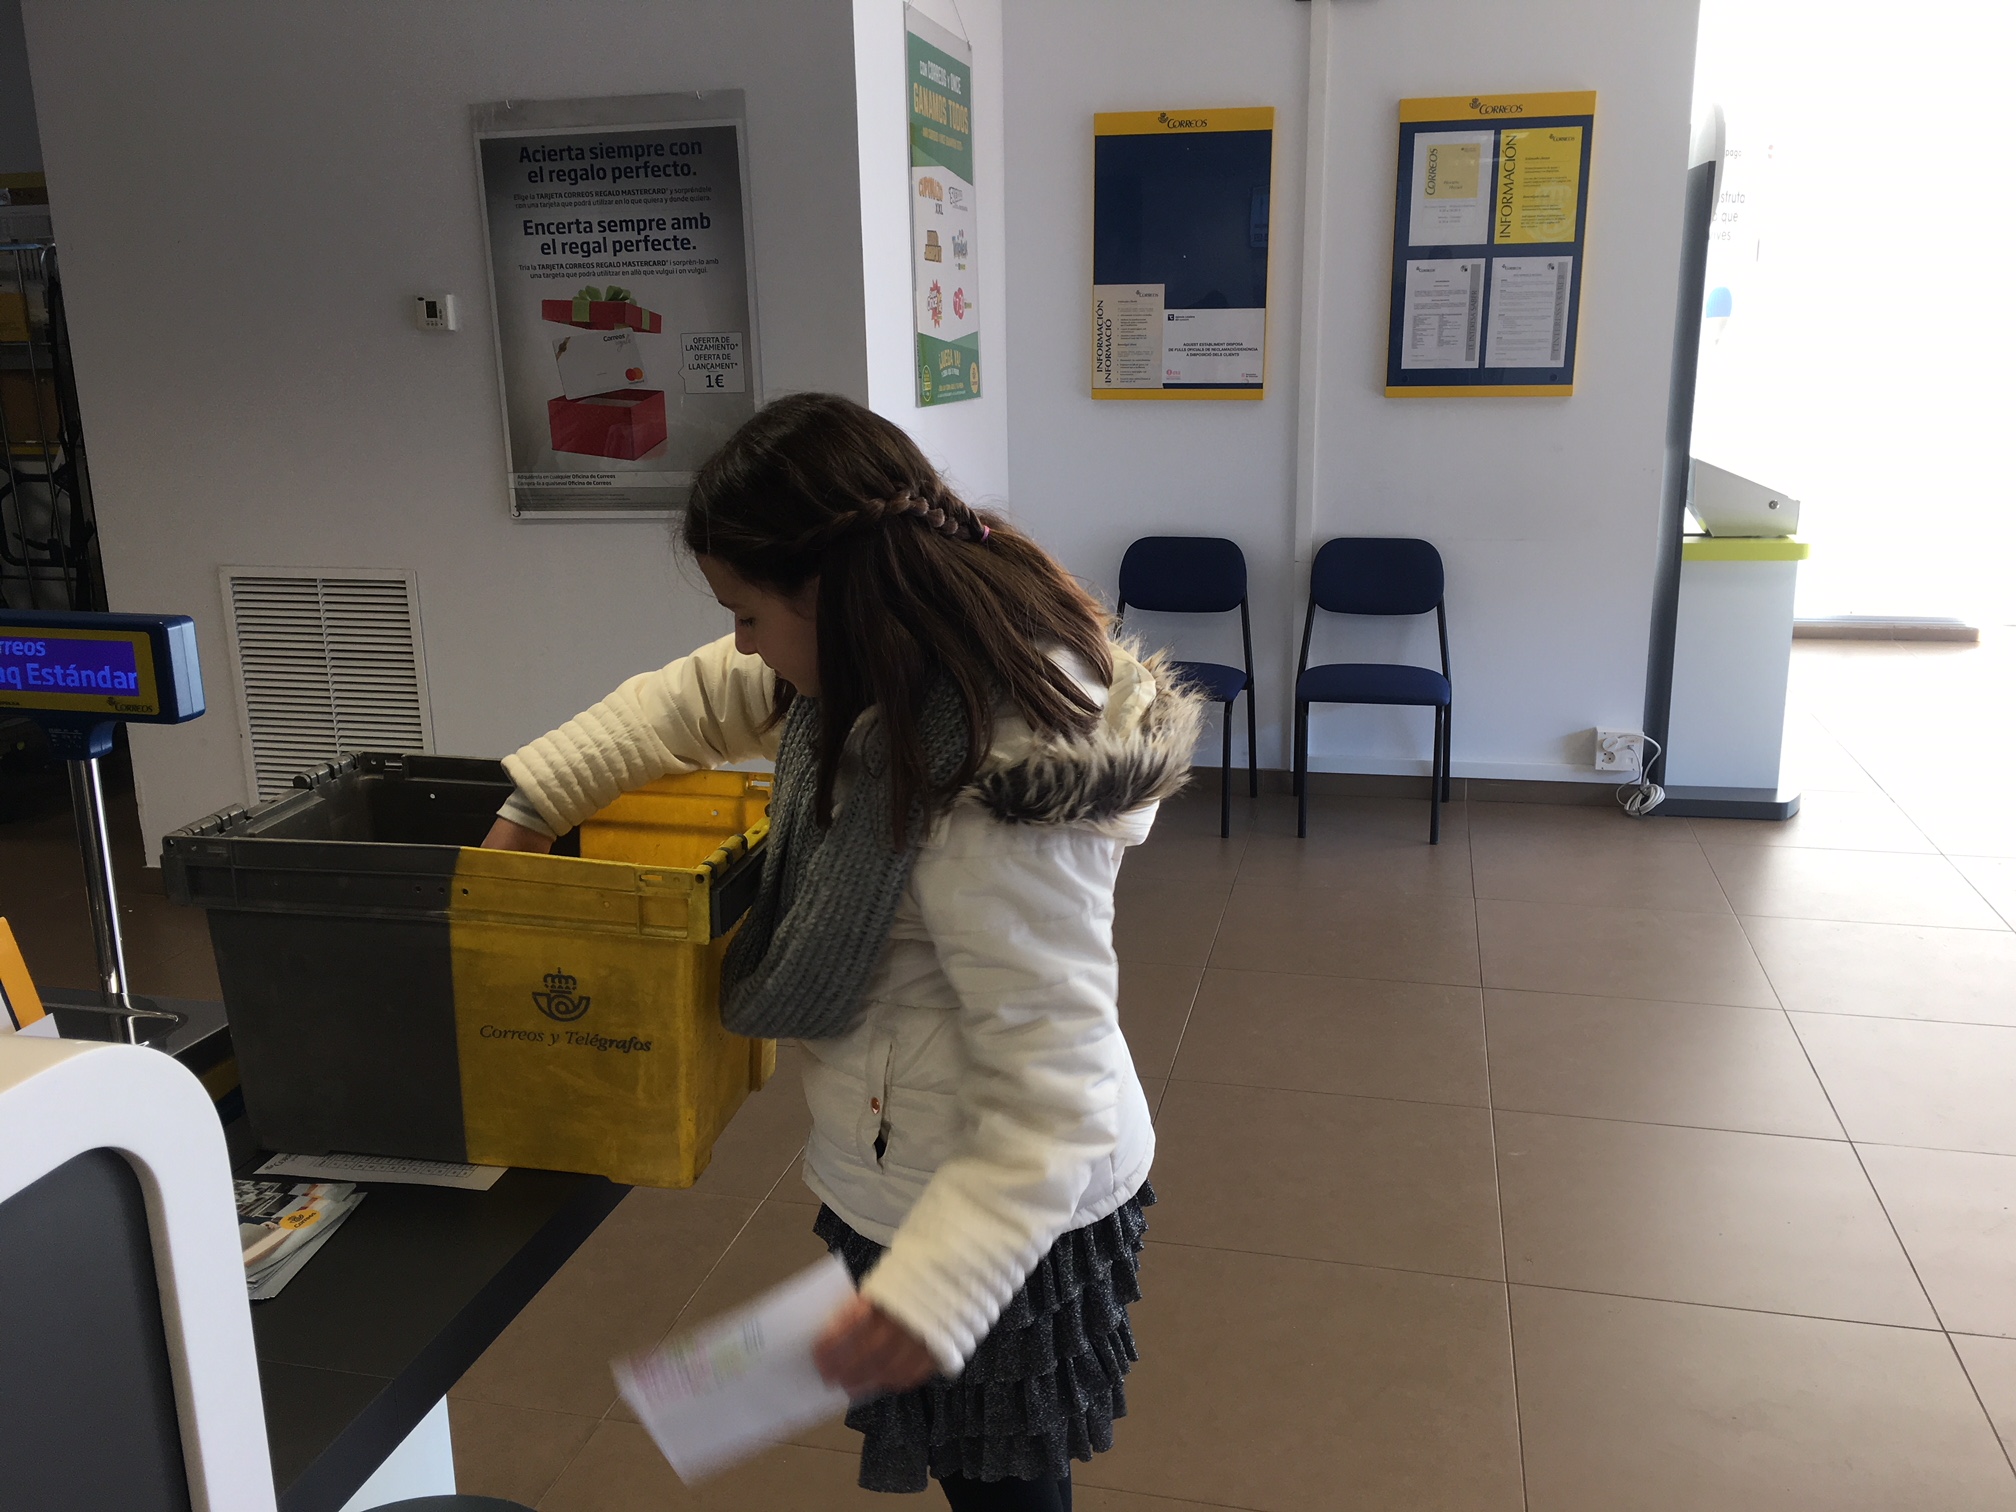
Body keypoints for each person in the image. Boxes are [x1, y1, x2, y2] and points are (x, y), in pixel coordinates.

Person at [481, 392, 1199, 1512]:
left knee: (1007, 1485)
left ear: (831, 591)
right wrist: (530, 810)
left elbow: (1053, 1092)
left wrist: (935, 1289)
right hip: (909, 1158)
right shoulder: (865, 668)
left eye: (748, 614)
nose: (740, 644)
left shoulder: (992, 787)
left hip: (1004, 1203)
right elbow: (690, 699)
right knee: (987, 1477)